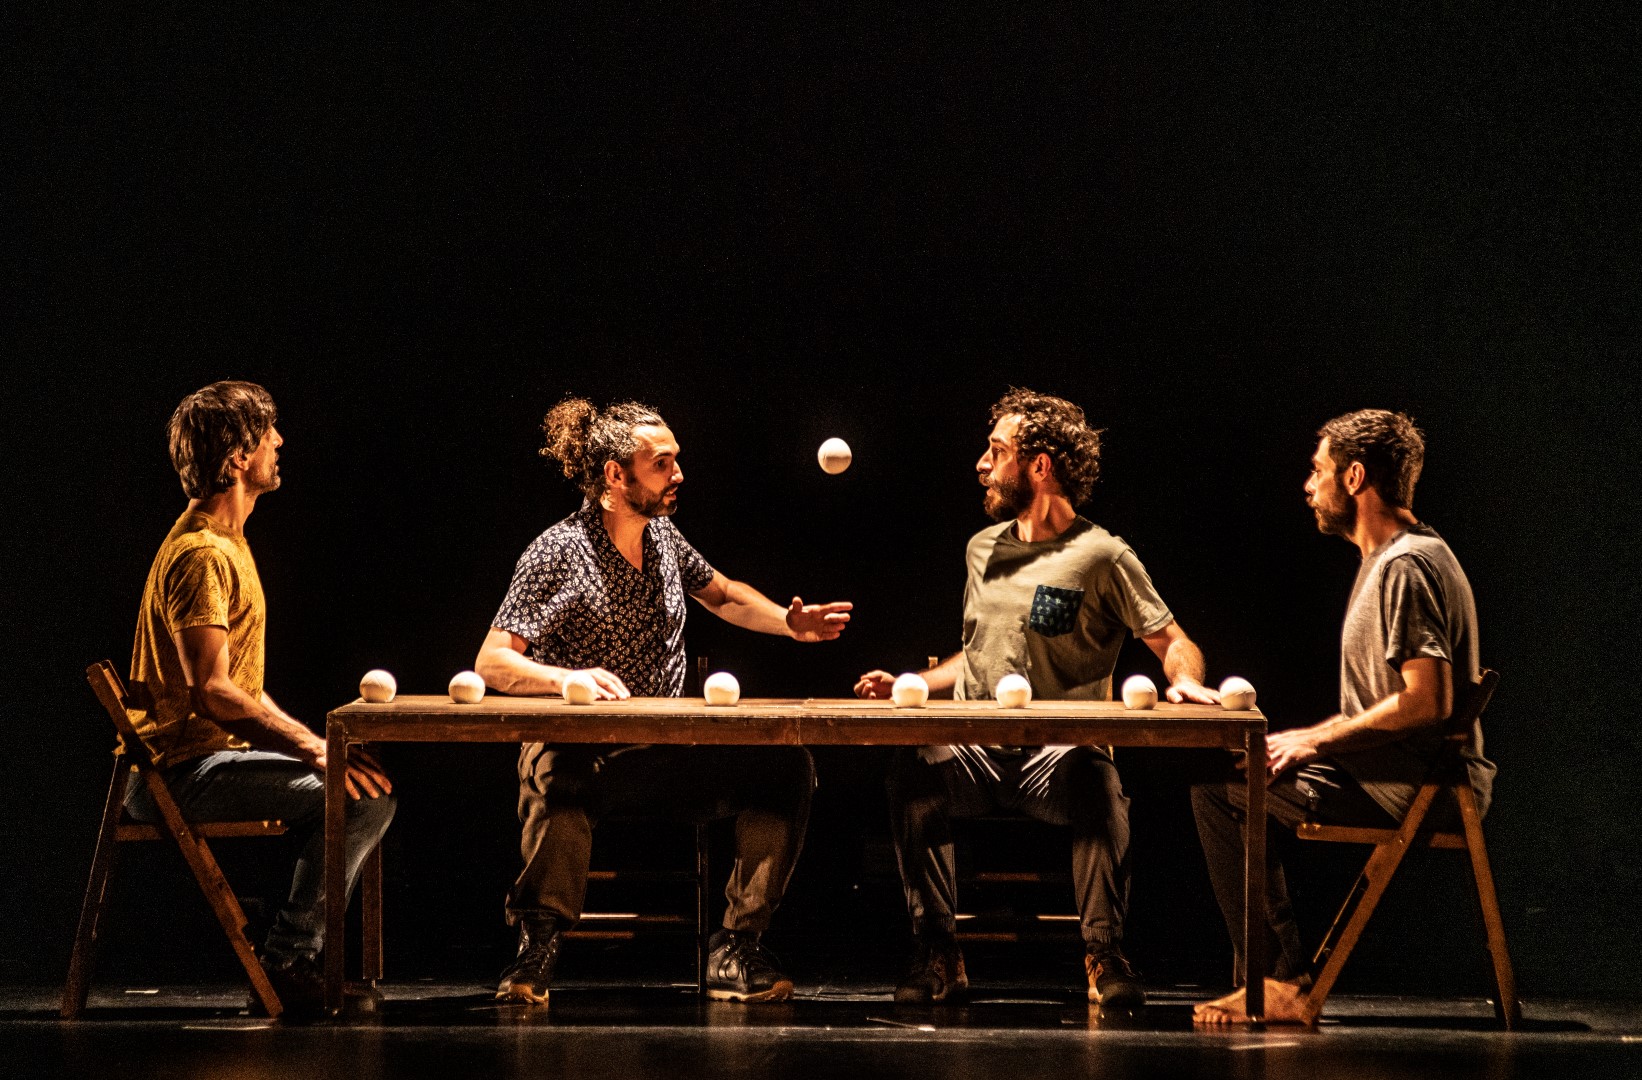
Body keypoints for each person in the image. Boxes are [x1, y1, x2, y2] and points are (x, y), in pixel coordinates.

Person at [476, 397, 852, 1005]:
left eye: (676, 460)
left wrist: (789, 623)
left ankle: (736, 945)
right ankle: (537, 943)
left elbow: (724, 594)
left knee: (786, 768)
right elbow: (492, 661)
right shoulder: (557, 551)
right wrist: (565, 679)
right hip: (586, 754)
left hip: (667, 753)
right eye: (661, 463)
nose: (678, 473)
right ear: (614, 475)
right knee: (556, 774)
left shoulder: (664, 538)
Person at [854, 388, 1219, 1008]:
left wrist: (1183, 679)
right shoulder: (981, 548)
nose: (982, 464)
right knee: (912, 770)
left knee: (1101, 786)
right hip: (975, 750)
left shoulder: (1101, 555)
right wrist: (909, 682)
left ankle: (1105, 953)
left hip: (1059, 755)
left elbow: (1173, 640)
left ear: (1040, 465)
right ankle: (938, 951)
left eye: (997, 451)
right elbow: (977, 653)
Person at [1191, 409, 1493, 1024]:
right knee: (1236, 775)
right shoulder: (1392, 559)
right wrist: (1308, 738)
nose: (1308, 486)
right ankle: (1276, 976)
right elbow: (1395, 702)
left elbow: (1426, 700)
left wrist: (1316, 744)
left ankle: (1278, 981)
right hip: (1398, 773)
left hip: (1421, 787)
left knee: (1222, 792)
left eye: (1318, 470)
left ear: (1354, 477)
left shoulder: (1405, 566)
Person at [124, 381, 396, 1016]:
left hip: (202, 763)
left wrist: (317, 748)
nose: (280, 441)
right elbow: (213, 692)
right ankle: (286, 963)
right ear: (238, 455)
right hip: (176, 774)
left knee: (364, 787)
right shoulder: (201, 554)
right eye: (268, 432)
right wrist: (312, 750)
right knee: (361, 801)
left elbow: (238, 686)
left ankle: (280, 936)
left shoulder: (229, 544)